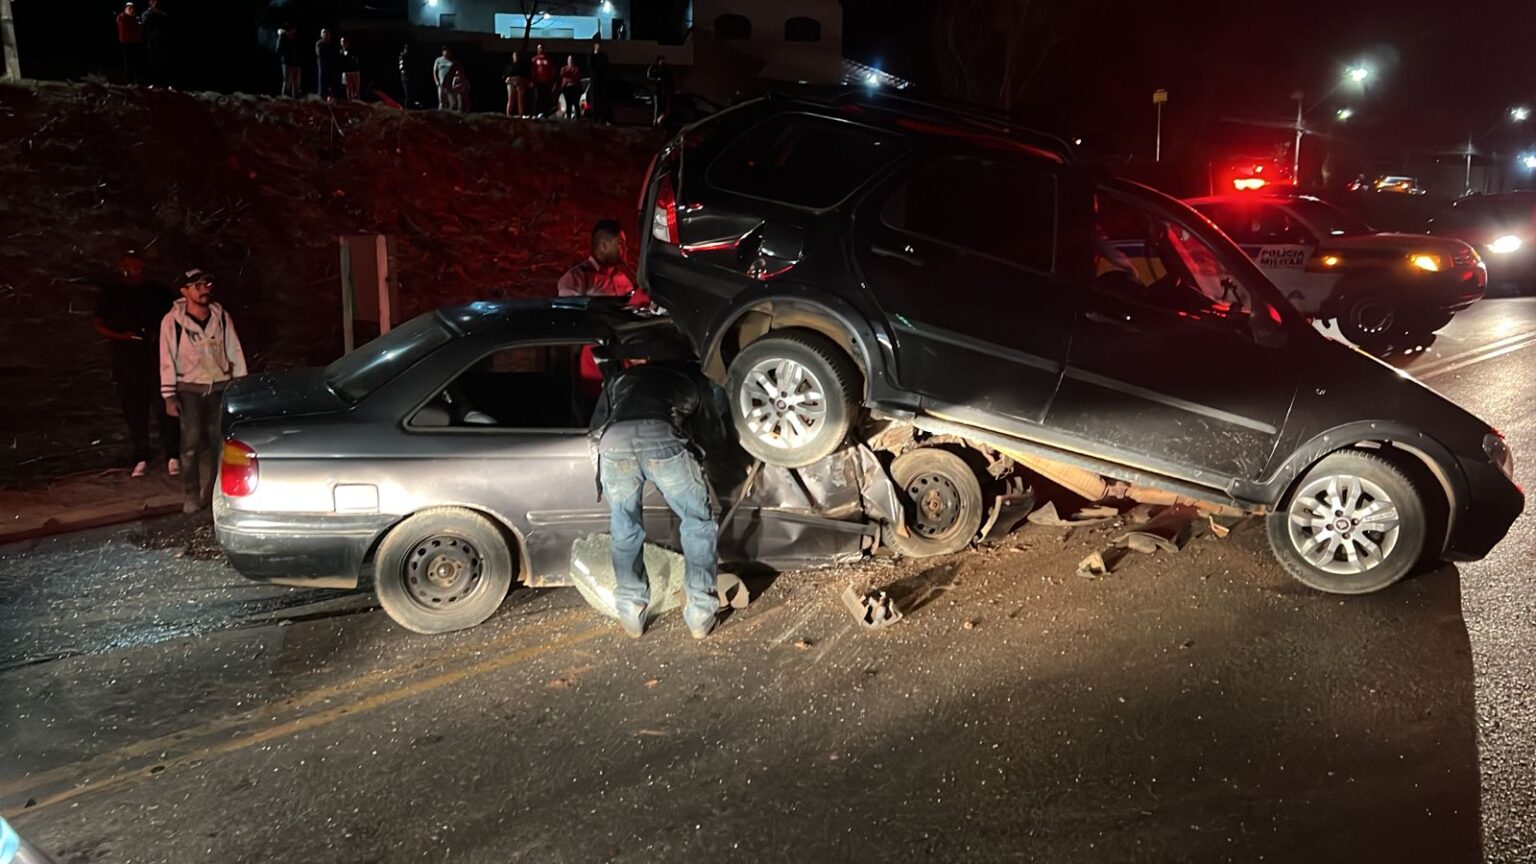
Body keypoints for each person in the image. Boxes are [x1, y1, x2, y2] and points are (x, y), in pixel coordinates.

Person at [587, 349, 723, 639]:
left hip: (613, 444)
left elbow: (597, 426)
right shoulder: (690, 377)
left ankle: (631, 611)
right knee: (697, 523)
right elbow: (712, 429)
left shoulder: (621, 379)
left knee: (624, 526)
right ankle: (700, 613)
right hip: (661, 437)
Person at [159, 269, 247, 514]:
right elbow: (166, 358)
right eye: (196, 285)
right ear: (184, 291)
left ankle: (217, 492)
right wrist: (168, 394)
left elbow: (234, 350)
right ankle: (191, 494)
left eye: (206, 283)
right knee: (191, 443)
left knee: (221, 443)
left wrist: (240, 383)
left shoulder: (220, 317)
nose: (204, 289)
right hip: (189, 389)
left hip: (219, 386)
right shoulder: (173, 321)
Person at [95, 251, 179, 478]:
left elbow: (176, 321)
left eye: (137, 266)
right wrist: (121, 336)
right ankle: (141, 456)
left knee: (165, 406)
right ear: (122, 268)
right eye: (129, 266)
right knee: (134, 409)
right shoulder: (113, 293)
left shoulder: (159, 292)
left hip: (157, 358)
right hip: (127, 361)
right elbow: (98, 322)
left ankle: (173, 454)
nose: (134, 270)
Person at [139, 0, 171, 87]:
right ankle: (153, 82)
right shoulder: (147, 14)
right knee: (152, 62)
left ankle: (163, 82)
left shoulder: (163, 14)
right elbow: (143, 27)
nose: (156, 3)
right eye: (153, 1)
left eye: (157, 1)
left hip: (163, 42)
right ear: (150, 3)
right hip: (151, 42)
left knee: (163, 62)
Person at [115, 3, 144, 85]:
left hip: (135, 43)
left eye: (132, 8)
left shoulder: (134, 19)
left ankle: (136, 80)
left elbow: (139, 29)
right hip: (126, 43)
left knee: (136, 63)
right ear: (125, 9)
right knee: (128, 63)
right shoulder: (122, 18)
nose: (131, 10)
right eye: (129, 8)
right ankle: (129, 81)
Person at [586, 37, 612, 124]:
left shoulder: (603, 56)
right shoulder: (591, 56)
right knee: (594, 100)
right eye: (597, 45)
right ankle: (594, 118)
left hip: (602, 81)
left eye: (599, 45)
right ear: (594, 46)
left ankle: (602, 119)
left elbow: (606, 67)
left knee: (602, 100)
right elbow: (591, 68)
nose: (598, 46)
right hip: (594, 81)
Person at [646, 55, 675, 126]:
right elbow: (649, 76)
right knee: (658, 107)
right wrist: (656, 80)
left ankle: (661, 121)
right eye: (661, 60)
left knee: (664, 107)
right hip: (657, 91)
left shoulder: (665, 70)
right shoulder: (655, 69)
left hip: (664, 91)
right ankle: (655, 121)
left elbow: (670, 80)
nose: (663, 62)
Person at [315, 28, 341, 101]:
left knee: (329, 84)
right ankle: (321, 97)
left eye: (328, 34)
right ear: (321, 35)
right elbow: (320, 54)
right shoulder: (319, 43)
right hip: (323, 67)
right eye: (324, 33)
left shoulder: (330, 45)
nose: (326, 35)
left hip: (330, 68)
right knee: (322, 83)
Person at [277, 27, 303, 97]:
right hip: (288, 63)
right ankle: (284, 100)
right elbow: (279, 50)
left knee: (297, 85)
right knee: (287, 83)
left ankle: (296, 101)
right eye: (292, 30)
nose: (294, 31)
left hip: (296, 64)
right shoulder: (283, 37)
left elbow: (299, 50)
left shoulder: (296, 38)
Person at [530, 43, 554, 117]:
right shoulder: (534, 59)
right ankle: (535, 113)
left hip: (546, 82)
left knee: (546, 98)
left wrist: (552, 81)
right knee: (537, 98)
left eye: (541, 48)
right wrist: (532, 80)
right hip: (538, 82)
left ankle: (545, 114)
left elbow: (551, 71)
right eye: (539, 48)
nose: (540, 49)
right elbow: (532, 70)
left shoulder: (548, 59)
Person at [502, 51, 528, 118]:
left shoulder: (523, 66)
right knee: (511, 99)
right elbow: (505, 76)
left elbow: (526, 75)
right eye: (515, 55)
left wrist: (524, 81)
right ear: (513, 56)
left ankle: (521, 114)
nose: (516, 57)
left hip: (520, 83)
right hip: (511, 83)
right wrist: (507, 79)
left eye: (517, 55)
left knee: (521, 99)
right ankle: (508, 114)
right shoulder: (509, 66)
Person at [559, 54, 582, 120]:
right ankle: (568, 118)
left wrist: (568, 77)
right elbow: (562, 75)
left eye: (571, 59)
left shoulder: (576, 68)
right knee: (568, 103)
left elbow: (575, 77)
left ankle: (578, 118)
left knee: (576, 103)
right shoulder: (564, 68)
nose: (570, 61)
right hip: (566, 89)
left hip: (574, 88)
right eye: (569, 59)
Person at [340, 36, 361, 102]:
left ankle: (357, 102)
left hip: (355, 72)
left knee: (356, 89)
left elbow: (355, 60)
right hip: (346, 73)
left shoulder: (353, 50)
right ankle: (350, 102)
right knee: (348, 88)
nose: (343, 43)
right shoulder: (340, 52)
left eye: (344, 41)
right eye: (341, 41)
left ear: (347, 43)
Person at [397, 43, 413, 108]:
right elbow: (401, 67)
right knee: (407, 93)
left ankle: (409, 106)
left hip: (409, 76)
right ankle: (407, 107)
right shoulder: (402, 56)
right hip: (404, 76)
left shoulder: (410, 56)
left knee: (410, 93)